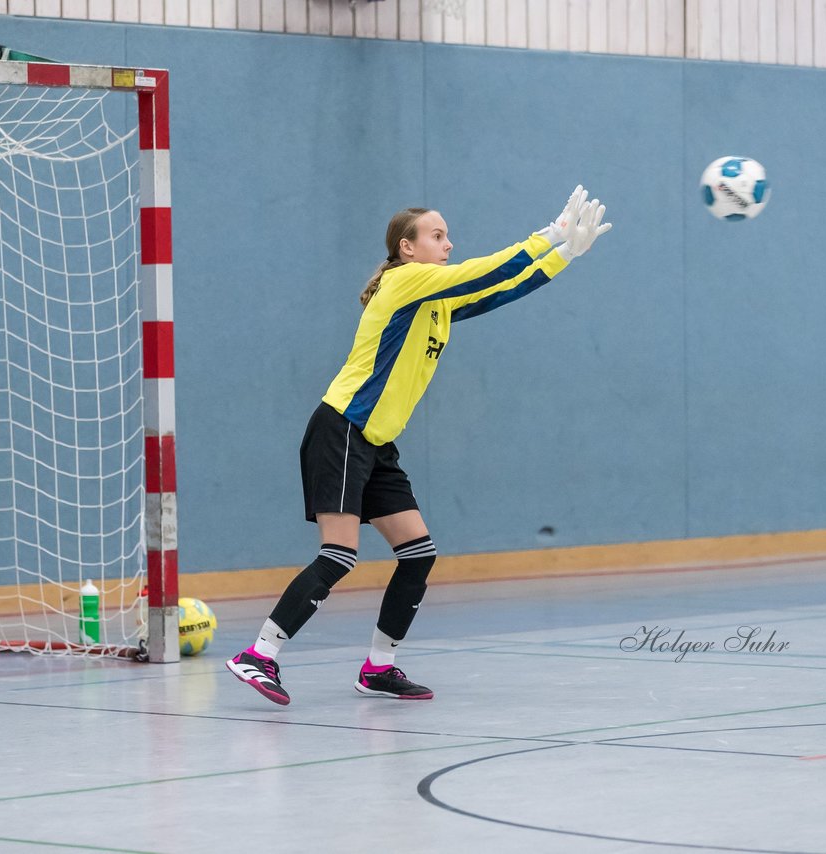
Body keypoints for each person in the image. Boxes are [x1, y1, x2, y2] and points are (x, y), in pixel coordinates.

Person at [226, 186, 612, 705]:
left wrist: (564, 255)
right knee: (339, 555)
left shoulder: (436, 302)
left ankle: (378, 668)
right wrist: (550, 233)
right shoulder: (405, 282)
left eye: (448, 236)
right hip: (342, 429)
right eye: (437, 235)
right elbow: (488, 270)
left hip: (377, 443)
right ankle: (259, 655)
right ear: (407, 248)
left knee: (418, 553)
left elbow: (500, 290)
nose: (448, 244)